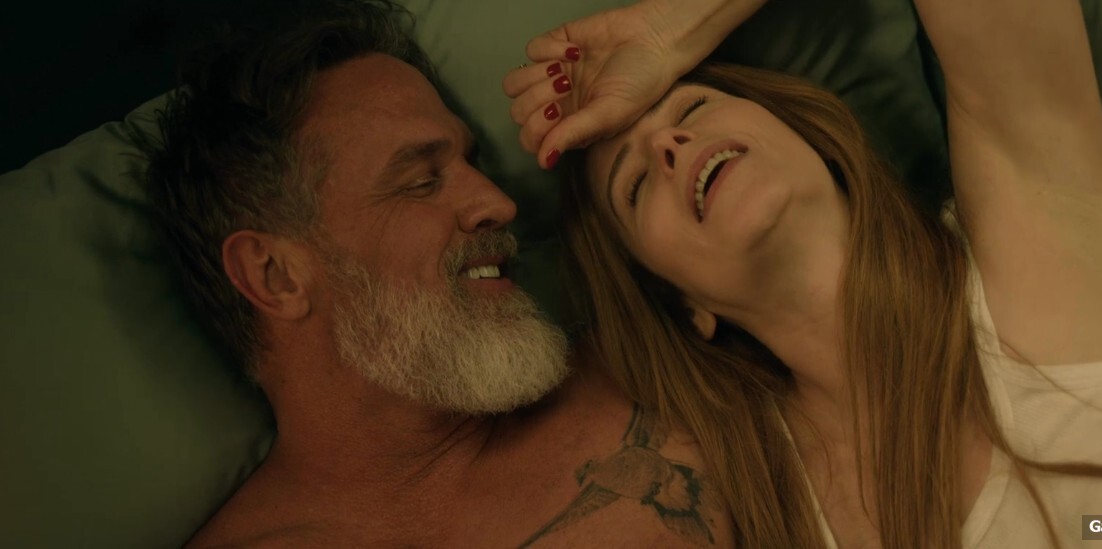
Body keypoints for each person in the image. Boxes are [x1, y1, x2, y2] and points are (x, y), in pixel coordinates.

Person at [505, 0, 1102, 547]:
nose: (669, 144)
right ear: (684, 305)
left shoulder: (1037, 229)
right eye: (636, 185)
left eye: (694, 106)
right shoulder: (769, 507)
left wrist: (672, 26)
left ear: (810, 140)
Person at [142, 1, 736, 546]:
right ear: (275, 276)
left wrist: (665, 31)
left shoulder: (654, 362)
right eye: (421, 181)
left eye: (472, 162)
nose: (498, 203)